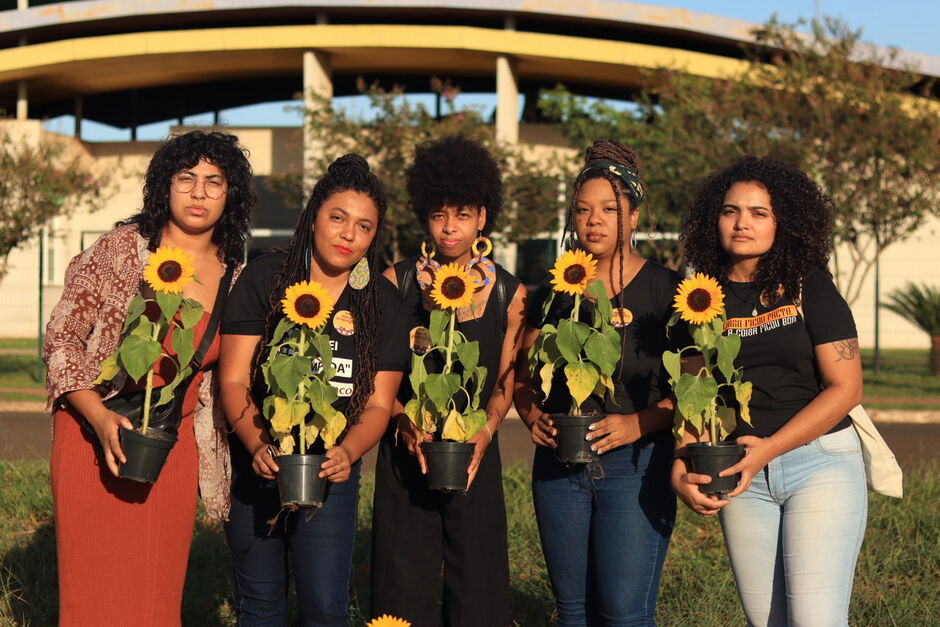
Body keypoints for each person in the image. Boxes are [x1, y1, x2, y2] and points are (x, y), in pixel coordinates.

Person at [44, 130, 256, 625]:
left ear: (232, 194)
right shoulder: (120, 251)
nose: (200, 193)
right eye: (186, 178)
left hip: (172, 449)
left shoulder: (236, 275)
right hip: (90, 438)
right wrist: (97, 417)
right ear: (165, 186)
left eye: (214, 181)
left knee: (156, 599)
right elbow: (60, 339)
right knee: (89, 597)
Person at [672, 156, 865, 627]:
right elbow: (693, 397)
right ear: (712, 219)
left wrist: (770, 450)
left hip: (819, 464)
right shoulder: (697, 298)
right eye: (730, 210)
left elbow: (847, 388)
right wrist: (681, 466)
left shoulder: (809, 286)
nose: (742, 223)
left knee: (815, 619)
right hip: (740, 475)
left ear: (785, 222)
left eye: (759, 213)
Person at [218, 154, 402, 626]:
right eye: (337, 218)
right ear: (313, 217)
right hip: (258, 466)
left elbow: (380, 403)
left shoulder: (382, 303)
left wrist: (349, 449)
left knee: (324, 607)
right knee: (259, 607)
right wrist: (256, 442)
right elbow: (234, 379)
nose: (348, 234)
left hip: (333, 476)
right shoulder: (266, 278)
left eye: (363, 226)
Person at [514, 139, 682, 627]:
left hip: (637, 466)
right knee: (572, 613)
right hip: (558, 468)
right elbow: (522, 376)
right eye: (583, 209)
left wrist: (638, 423)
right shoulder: (554, 292)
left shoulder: (669, 290)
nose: (594, 220)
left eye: (610, 208)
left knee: (624, 614)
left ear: (633, 213)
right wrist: (531, 416)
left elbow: (695, 390)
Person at [370, 134, 526, 626]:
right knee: (401, 588)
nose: (449, 228)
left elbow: (505, 379)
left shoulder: (509, 292)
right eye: (439, 215)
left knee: (478, 589)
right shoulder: (396, 282)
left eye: (461, 214)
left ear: (482, 216)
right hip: (405, 454)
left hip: (475, 452)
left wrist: (485, 431)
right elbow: (382, 374)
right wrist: (401, 422)